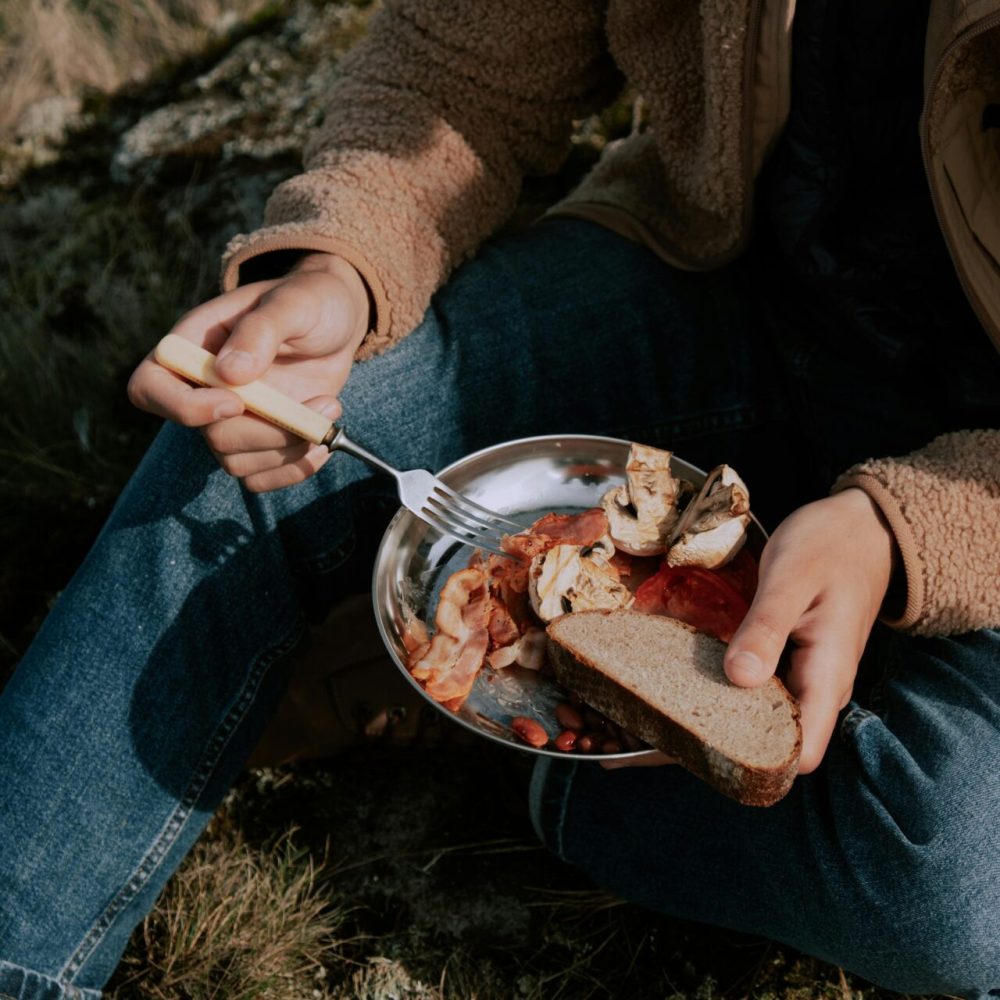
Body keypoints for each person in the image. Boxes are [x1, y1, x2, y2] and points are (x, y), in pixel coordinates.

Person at [2, 0, 999, 996]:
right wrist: (344, 263)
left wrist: (905, 533)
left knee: (951, 897)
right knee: (261, 429)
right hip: (723, 296)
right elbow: (460, 61)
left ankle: (499, 718)